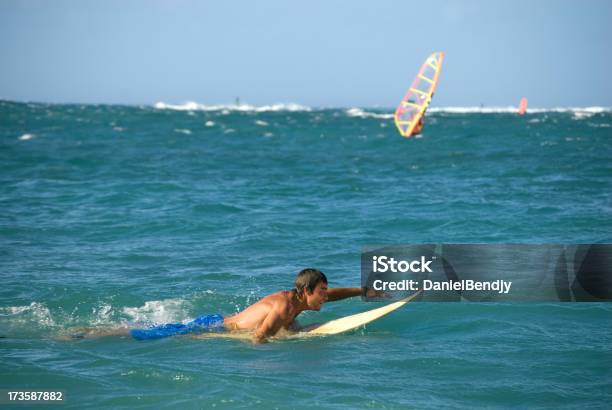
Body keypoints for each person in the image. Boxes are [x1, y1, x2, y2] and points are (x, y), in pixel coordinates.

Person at [69, 269, 363, 343]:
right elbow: (259, 339)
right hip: (210, 326)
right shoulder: (283, 309)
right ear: (306, 291)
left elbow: (336, 293)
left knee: (153, 330)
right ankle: (89, 333)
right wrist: (290, 344)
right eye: (321, 292)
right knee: (147, 334)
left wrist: (364, 291)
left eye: (325, 292)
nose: (326, 296)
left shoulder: (299, 298)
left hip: (217, 322)